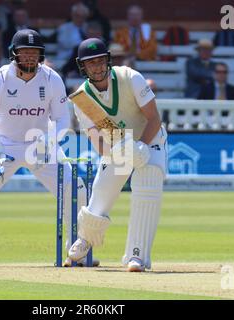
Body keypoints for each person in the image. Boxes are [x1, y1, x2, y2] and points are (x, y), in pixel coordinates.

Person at [0, 29, 98, 268]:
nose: (29, 58)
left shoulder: (51, 79)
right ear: (13, 55)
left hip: (41, 145)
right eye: (24, 53)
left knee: (76, 189)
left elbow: (62, 120)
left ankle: (78, 252)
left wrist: (48, 143)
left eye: (34, 53)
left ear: (40, 56)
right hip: (4, 145)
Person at [68, 38, 168, 272]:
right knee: (103, 188)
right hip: (118, 146)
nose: (97, 67)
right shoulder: (82, 97)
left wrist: (141, 146)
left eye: (101, 61)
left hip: (150, 139)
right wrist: (115, 153)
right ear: (83, 67)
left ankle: (137, 256)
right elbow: (96, 139)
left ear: (108, 60)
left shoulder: (130, 77)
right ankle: (86, 236)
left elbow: (154, 117)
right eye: (91, 63)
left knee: (148, 182)